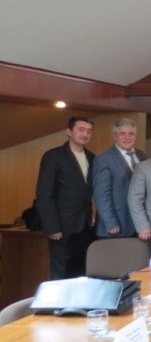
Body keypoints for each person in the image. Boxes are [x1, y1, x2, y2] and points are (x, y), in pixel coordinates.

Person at [36, 116, 95, 279]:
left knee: (81, 271)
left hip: (84, 226)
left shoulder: (92, 157)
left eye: (89, 131)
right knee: (61, 271)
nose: (85, 134)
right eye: (81, 130)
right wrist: (52, 227)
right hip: (61, 226)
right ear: (69, 132)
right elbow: (44, 194)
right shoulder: (53, 156)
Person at [93, 117, 146, 239]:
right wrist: (110, 222)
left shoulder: (141, 155)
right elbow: (101, 195)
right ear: (114, 136)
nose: (127, 137)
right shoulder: (104, 159)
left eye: (131, 134)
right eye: (122, 134)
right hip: (115, 226)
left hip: (138, 225)